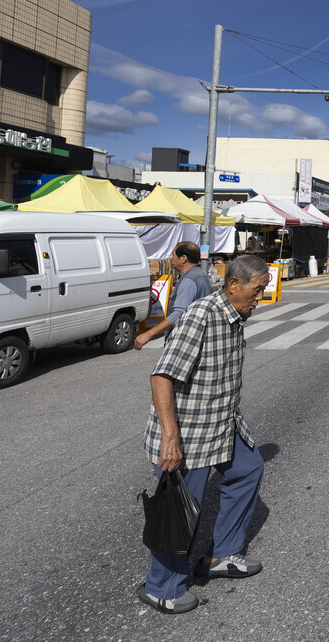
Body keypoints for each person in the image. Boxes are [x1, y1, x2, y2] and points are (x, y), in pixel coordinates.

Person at [137, 255, 271, 615]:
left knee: (249, 469)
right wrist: (170, 438)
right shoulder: (202, 316)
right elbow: (161, 376)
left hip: (222, 425)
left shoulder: (235, 314)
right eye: (257, 290)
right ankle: (161, 588)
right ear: (233, 286)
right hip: (188, 434)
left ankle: (221, 555)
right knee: (181, 513)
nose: (261, 297)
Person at [135, 242, 213, 350]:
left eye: (173, 255)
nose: (171, 259)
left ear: (183, 258)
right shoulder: (201, 274)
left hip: (184, 342)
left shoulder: (189, 280)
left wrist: (149, 334)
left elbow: (178, 314)